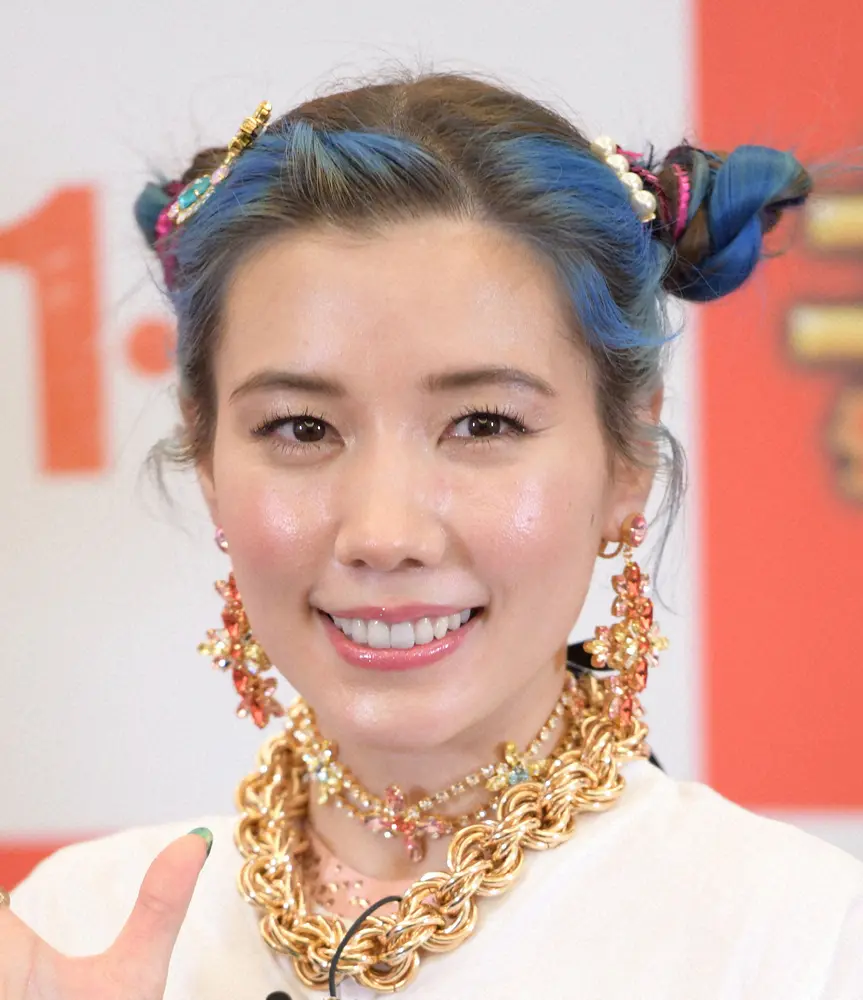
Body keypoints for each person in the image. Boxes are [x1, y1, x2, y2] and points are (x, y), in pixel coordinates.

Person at [2, 72, 861, 1000]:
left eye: (483, 424)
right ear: (207, 457)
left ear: (628, 458)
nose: (384, 533)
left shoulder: (798, 940)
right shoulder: (74, 926)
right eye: (300, 428)